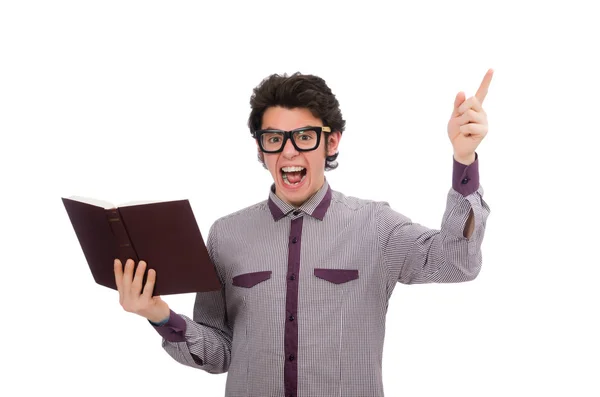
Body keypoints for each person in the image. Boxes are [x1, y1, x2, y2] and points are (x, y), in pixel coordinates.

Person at [114, 70, 493, 397]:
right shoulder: (225, 235)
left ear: (331, 142)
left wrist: (464, 160)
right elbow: (221, 353)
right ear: (261, 150)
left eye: (304, 137)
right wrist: (159, 314)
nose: (289, 152)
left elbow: (456, 262)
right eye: (274, 139)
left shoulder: (376, 226)